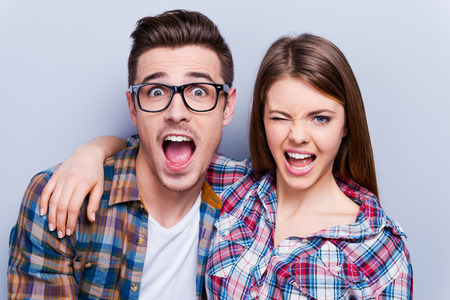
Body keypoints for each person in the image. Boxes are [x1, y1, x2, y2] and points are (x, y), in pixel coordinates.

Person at [36, 35, 412, 298]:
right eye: (281, 117)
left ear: (347, 124)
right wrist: (91, 152)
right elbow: (148, 150)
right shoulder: (238, 190)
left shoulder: (379, 250)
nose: (298, 136)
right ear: (261, 121)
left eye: (320, 119)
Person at [8, 9, 252, 299]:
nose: (176, 113)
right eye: (156, 91)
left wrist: (97, 147)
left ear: (227, 107)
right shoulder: (61, 200)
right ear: (133, 108)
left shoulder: (249, 197)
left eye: (199, 91)